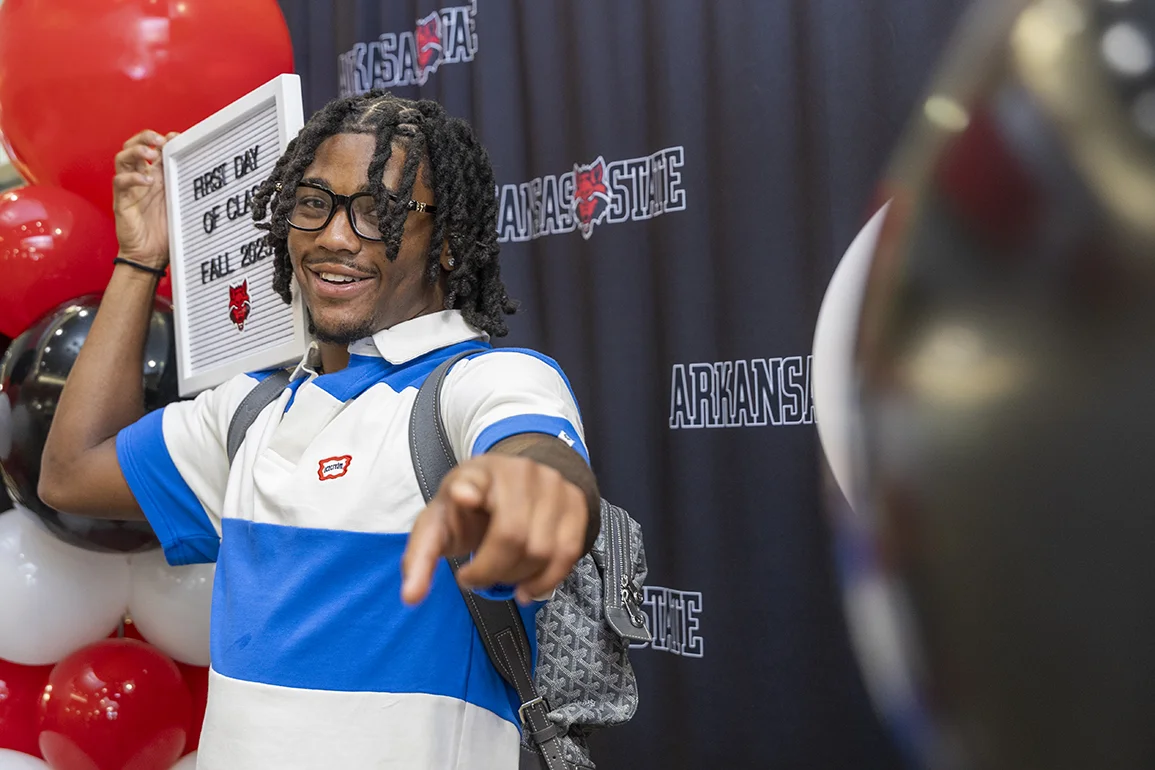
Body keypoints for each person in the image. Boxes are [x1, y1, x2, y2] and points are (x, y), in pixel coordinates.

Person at [39, 91, 600, 770]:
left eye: (380, 213)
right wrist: (139, 259)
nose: (336, 237)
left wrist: (527, 489)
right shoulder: (250, 412)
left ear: (447, 242)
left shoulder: (475, 383)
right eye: (313, 204)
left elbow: (536, 456)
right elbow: (69, 473)